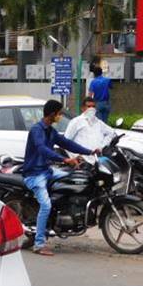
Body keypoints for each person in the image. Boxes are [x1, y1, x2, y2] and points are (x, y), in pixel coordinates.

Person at [21, 99, 96, 256]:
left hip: (47, 171)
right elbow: (42, 149)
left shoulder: (50, 131)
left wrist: (90, 152)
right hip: (34, 174)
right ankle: (39, 244)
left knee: (74, 178)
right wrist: (64, 160)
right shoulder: (37, 130)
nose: (61, 116)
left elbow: (67, 143)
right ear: (52, 114)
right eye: (60, 113)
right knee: (46, 205)